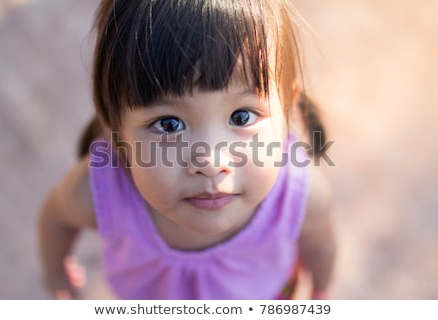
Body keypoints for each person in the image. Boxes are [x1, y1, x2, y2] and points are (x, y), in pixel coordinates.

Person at [39, 0, 336, 300]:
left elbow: (320, 245)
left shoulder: (301, 195)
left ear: (287, 108)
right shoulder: (99, 192)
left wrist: (320, 291)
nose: (210, 162)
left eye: (242, 116)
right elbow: (55, 218)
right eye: (169, 124)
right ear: (114, 130)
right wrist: (55, 272)